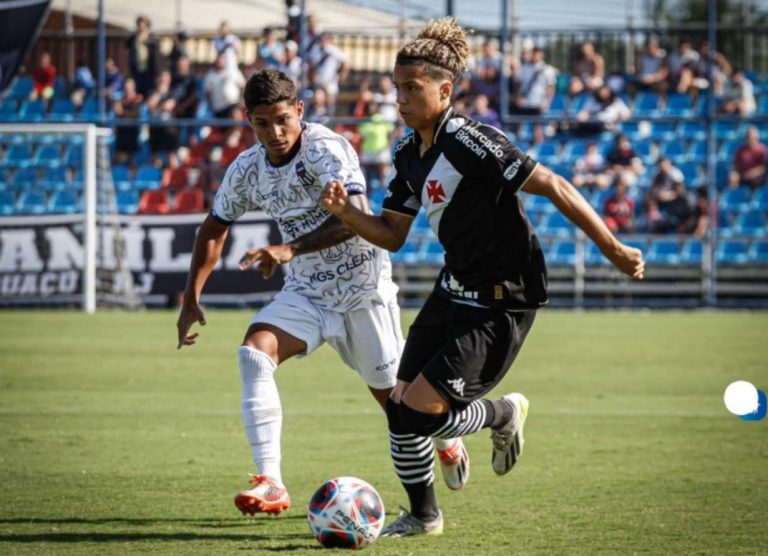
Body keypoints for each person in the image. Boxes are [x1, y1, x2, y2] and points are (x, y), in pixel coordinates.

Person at [321, 17, 644, 537]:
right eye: (396, 88)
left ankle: (500, 414)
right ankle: (424, 516)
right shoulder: (408, 153)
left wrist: (612, 248)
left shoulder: (473, 141)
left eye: (412, 88)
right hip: (453, 290)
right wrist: (346, 214)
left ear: (444, 90)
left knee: (419, 415)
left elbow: (555, 185)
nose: (400, 99)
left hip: (501, 300)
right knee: (398, 410)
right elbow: (392, 233)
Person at [176, 68, 467, 518]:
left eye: (281, 119)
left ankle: (447, 437)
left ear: (299, 110)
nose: (273, 133)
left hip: (362, 292)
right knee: (254, 353)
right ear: (248, 121)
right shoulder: (247, 170)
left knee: (400, 409)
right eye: (260, 123)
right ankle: (270, 480)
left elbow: (353, 214)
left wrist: (288, 247)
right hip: (308, 293)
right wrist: (192, 294)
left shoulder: (325, 149)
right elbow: (214, 227)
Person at [126, 15, 158, 97]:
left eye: (143, 24)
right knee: (138, 89)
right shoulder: (133, 38)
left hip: (148, 68)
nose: (140, 26)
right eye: (139, 24)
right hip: (137, 68)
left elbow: (155, 50)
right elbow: (128, 46)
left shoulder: (151, 37)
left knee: (148, 89)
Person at [729, 125, 767, 190]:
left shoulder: (763, 150)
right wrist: (735, 174)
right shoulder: (740, 151)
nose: (751, 140)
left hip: (758, 178)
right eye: (748, 137)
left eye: (753, 138)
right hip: (743, 177)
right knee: (732, 177)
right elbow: (735, 166)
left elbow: (764, 167)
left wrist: (752, 173)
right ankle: (734, 197)